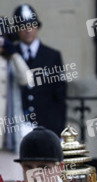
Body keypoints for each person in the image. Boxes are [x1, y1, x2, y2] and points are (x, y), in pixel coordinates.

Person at [13, 4, 67, 135]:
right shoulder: (12, 55)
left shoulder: (52, 56)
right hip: (19, 126)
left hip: (47, 126)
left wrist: (58, 128)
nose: (28, 30)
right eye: (23, 26)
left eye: (31, 25)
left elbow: (60, 94)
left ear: (37, 26)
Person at [0, 34, 30, 181]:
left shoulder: (12, 60)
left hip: (9, 133)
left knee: (12, 180)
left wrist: (14, 55)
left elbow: (27, 79)